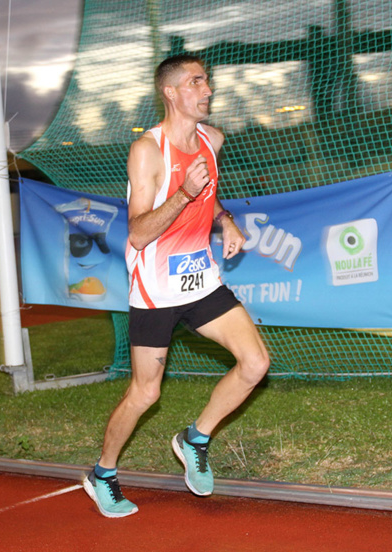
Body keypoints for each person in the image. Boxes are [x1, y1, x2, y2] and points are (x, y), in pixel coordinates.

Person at [82, 54, 270, 518]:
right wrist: (183, 192)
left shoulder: (212, 139)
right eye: (196, 82)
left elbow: (207, 189)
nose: (207, 90)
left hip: (200, 279)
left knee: (255, 363)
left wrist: (225, 220)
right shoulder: (148, 151)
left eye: (207, 81)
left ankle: (195, 438)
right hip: (155, 291)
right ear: (171, 92)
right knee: (146, 393)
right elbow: (140, 232)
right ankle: (102, 474)